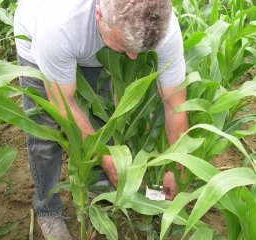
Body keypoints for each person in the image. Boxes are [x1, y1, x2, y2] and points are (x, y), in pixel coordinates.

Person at [14, 0, 188, 239]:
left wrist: (176, 169)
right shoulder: (59, 24)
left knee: (101, 118)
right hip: (41, 41)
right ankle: (48, 211)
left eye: (140, 50)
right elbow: (63, 106)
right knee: (45, 134)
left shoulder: (163, 26)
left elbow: (175, 104)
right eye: (123, 45)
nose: (133, 57)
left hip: (89, 43)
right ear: (99, 14)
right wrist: (107, 159)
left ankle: (101, 190)